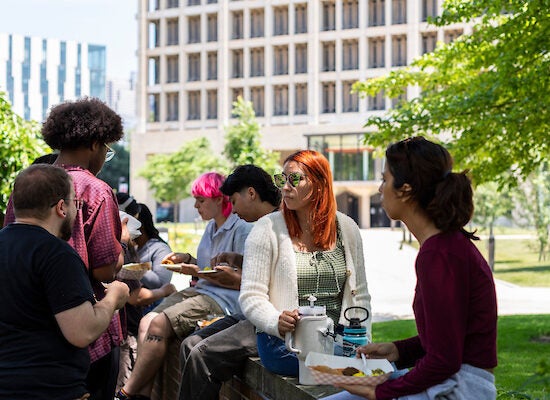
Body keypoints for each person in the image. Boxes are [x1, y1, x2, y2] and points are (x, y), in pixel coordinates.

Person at [328, 137, 497, 400]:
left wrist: (382, 392)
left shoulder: (440, 254)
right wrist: (398, 350)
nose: (380, 188)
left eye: (385, 179)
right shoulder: (445, 246)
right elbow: (448, 339)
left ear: (405, 189)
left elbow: (445, 360)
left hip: (460, 388)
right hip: (452, 380)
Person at [3, 97, 130, 400]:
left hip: (20, 342)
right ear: (95, 144)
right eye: (107, 150)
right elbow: (103, 268)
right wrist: (120, 247)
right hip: (79, 342)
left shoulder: (29, 183)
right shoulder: (95, 189)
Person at [117, 172, 252, 400]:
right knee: (146, 322)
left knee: (158, 324)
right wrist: (189, 260)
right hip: (203, 290)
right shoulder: (211, 228)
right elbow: (210, 267)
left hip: (224, 301)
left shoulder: (242, 229)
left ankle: (127, 393)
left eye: (201, 200)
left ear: (220, 199)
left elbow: (241, 279)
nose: (196, 206)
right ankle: (143, 394)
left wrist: (196, 271)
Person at [239, 150, 372, 377]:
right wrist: (275, 321)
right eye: (282, 179)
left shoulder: (347, 228)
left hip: (337, 339)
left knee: (380, 367)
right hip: (284, 343)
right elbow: (251, 296)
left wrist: (362, 339)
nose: (285, 187)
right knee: (356, 370)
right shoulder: (266, 229)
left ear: (319, 184)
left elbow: (360, 295)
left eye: (295, 179)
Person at [178, 164, 282, 400]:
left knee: (200, 354)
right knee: (189, 344)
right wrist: (239, 259)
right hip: (250, 315)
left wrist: (230, 277)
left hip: (270, 320)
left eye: (234, 201)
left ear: (251, 193)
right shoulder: (264, 225)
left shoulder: (280, 224)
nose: (232, 210)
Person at [116, 199, 177, 391]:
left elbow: (161, 280)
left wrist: (138, 270)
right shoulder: (127, 247)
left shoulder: (159, 248)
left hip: (141, 317)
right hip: (125, 326)